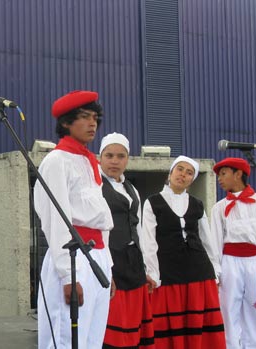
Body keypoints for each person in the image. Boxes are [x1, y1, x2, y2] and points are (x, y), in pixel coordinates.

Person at [34, 90, 114, 348]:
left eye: (95, 117)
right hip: (72, 255)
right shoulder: (57, 160)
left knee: (93, 338)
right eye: (84, 117)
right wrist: (68, 276)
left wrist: (107, 266)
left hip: (97, 255)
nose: (92, 123)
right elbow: (56, 220)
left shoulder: (90, 161)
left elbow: (102, 219)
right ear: (66, 122)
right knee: (66, 337)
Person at [141, 156, 225, 349]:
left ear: (192, 179)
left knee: (198, 324)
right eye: (180, 169)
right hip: (169, 272)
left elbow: (207, 239)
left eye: (189, 173)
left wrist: (215, 269)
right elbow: (148, 241)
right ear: (170, 172)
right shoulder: (153, 202)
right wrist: (153, 273)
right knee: (170, 327)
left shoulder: (197, 204)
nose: (183, 175)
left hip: (199, 271)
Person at [211, 157, 256, 349]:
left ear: (238, 174)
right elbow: (215, 242)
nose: (219, 178)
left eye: (223, 173)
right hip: (229, 262)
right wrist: (216, 270)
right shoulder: (219, 207)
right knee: (228, 311)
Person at [98, 133, 154, 349]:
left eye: (120, 156)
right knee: (112, 323)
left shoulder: (132, 189)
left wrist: (146, 267)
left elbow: (138, 228)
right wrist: (105, 267)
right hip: (111, 259)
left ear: (127, 159)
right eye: (109, 155)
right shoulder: (95, 186)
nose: (115, 161)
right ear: (100, 157)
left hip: (133, 263)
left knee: (132, 322)